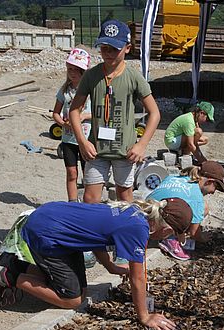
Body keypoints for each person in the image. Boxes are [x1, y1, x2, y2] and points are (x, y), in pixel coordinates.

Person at [0, 198, 192, 330]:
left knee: (80, 290)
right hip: (48, 233)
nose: (169, 237)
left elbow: (97, 237)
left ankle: (6, 260)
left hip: (55, 219)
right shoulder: (139, 230)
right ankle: (2, 276)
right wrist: (144, 317)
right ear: (165, 228)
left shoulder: (135, 212)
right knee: (72, 299)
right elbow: (138, 279)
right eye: (173, 233)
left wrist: (110, 267)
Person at [69, 19, 161, 204]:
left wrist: (141, 145)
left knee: (124, 197)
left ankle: (120, 232)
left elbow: (154, 113)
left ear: (127, 48)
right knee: (90, 198)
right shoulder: (91, 75)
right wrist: (81, 142)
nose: (108, 53)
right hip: (96, 150)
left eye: (114, 49)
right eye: (104, 48)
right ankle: (93, 232)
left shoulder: (134, 77)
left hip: (125, 152)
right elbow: (74, 111)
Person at [146, 161, 224, 260]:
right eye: (216, 187)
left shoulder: (173, 177)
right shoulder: (196, 197)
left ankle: (171, 233)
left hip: (146, 216)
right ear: (209, 182)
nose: (213, 192)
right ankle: (170, 239)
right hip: (157, 230)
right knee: (203, 208)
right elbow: (194, 234)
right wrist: (202, 237)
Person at [52, 48, 93, 202]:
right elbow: (55, 113)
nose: (72, 73)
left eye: (76, 70)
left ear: (84, 72)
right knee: (71, 173)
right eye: (70, 69)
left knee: (87, 173)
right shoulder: (64, 91)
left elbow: (98, 113)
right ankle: (72, 203)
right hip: (68, 139)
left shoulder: (91, 91)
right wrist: (63, 123)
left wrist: (82, 116)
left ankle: (88, 203)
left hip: (85, 138)